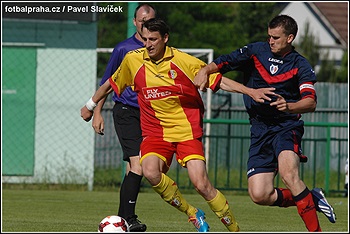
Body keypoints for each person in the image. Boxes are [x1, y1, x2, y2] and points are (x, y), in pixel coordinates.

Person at [81, 18, 275, 232]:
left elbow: (220, 81)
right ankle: (192, 213)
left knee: (201, 184)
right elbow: (111, 83)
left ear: (165, 38)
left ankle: (235, 229)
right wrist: (90, 105)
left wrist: (250, 91)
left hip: (187, 131)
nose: (148, 44)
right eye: (145, 39)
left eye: (153, 39)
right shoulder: (132, 60)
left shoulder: (183, 61)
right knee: (150, 171)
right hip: (156, 132)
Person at [194, 14, 337, 231]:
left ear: (290, 38)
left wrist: (288, 106)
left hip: (286, 126)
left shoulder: (300, 65)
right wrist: (205, 70)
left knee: (289, 174)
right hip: (259, 127)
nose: (271, 41)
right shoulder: (255, 51)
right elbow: (223, 62)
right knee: (260, 194)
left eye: (276, 38)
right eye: (269, 36)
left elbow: (310, 102)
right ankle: (311, 198)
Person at [92, 3, 156, 232]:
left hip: (150, 114)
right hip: (127, 111)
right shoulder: (124, 49)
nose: (146, 24)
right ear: (134, 21)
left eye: (150, 21)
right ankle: (129, 219)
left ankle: (123, 218)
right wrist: (97, 111)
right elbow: (107, 83)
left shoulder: (157, 48)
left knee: (136, 168)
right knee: (139, 163)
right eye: (142, 20)